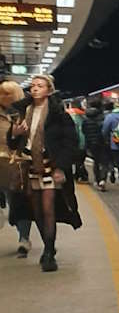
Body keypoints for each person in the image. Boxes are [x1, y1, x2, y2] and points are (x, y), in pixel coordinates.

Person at [6, 74, 82, 271]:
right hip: (28, 166)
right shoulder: (22, 111)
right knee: (37, 211)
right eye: (32, 86)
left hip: (50, 166)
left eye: (40, 86)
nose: (35, 89)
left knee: (49, 208)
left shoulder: (59, 114)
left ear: (49, 90)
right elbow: (13, 143)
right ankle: (50, 245)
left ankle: (48, 253)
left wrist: (62, 168)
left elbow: (70, 142)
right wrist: (15, 134)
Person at [0, 80, 33, 256]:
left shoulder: (25, 114)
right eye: (2, 93)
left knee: (18, 203)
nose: (5, 97)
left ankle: (24, 239)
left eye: (8, 93)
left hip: (16, 166)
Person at [81, 98, 110, 191]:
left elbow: (84, 131)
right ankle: (103, 180)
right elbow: (105, 130)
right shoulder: (103, 117)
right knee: (105, 162)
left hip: (91, 143)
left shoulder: (85, 118)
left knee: (96, 162)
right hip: (102, 142)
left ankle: (97, 181)